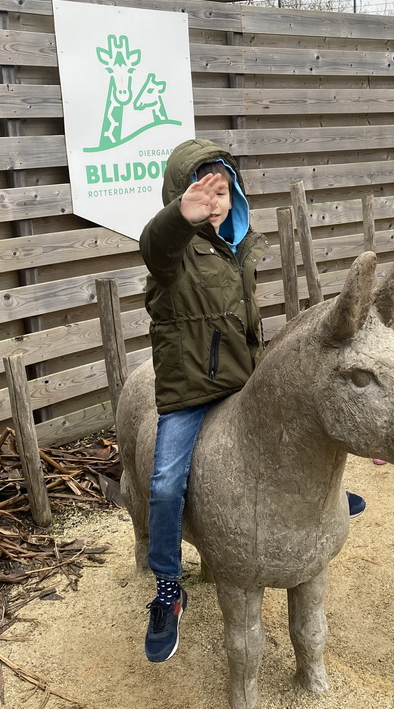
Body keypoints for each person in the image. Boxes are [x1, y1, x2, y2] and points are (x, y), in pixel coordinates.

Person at [138, 138, 363, 663]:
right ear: (181, 194)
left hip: (243, 382)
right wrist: (179, 216)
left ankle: (331, 506)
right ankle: (168, 586)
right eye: (202, 189)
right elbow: (155, 246)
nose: (213, 200)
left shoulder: (239, 247)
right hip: (189, 393)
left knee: (308, 431)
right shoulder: (173, 255)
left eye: (222, 188)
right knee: (167, 481)